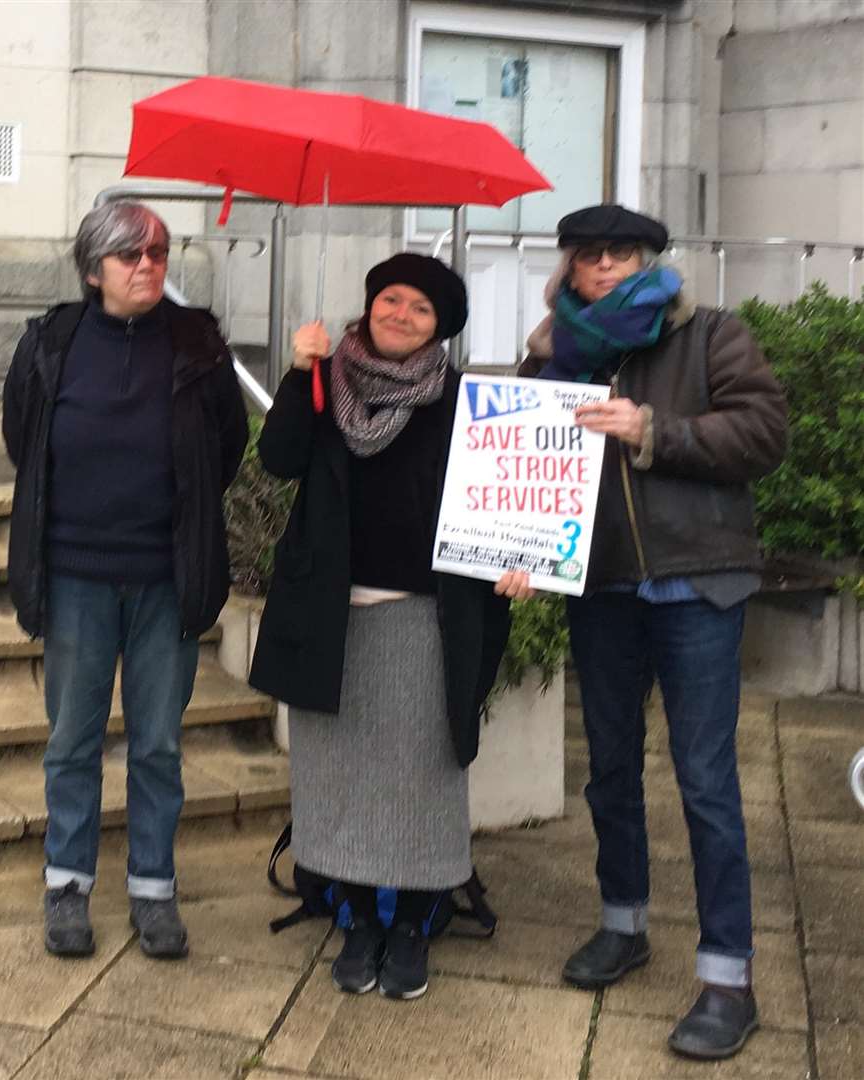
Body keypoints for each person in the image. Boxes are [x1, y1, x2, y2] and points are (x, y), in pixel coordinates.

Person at [519, 204, 787, 1060]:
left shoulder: (710, 335)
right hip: (600, 585)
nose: (604, 269)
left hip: (696, 584)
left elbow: (764, 432)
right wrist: (517, 547)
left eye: (621, 254)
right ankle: (623, 922)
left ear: (649, 262)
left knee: (705, 780)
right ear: (568, 268)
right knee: (608, 766)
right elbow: (517, 468)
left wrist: (654, 432)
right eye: (589, 257)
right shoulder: (547, 351)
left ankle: (727, 977)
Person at [248, 253, 522, 1000]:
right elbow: (278, 459)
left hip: (427, 619)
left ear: (441, 327)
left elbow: (501, 502)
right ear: (369, 306)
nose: (400, 314)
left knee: (423, 778)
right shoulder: (324, 377)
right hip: (331, 616)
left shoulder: (467, 402)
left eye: (420, 308)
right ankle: (357, 914)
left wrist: (517, 558)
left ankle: (416, 923)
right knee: (335, 777)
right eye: (390, 299)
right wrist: (298, 372)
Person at [2, 200, 249, 960]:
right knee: (73, 740)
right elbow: (24, 440)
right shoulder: (52, 343)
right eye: (129, 256)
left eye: (158, 254)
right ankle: (68, 884)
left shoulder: (197, 343)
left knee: (157, 746)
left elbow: (228, 447)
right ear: (93, 269)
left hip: (163, 582)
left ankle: (153, 890)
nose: (147, 267)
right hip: (76, 575)